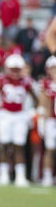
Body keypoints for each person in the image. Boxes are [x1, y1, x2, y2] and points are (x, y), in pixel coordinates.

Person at [0, 54, 38, 187]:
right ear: (8, 68)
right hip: (5, 115)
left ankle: (20, 176)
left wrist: (33, 111)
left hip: (20, 115)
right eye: (12, 69)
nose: (15, 72)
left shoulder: (26, 82)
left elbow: (36, 98)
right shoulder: (2, 80)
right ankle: (3, 175)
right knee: (4, 144)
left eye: (17, 69)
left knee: (19, 145)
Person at [40, 56, 56, 187]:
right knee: (49, 149)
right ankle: (47, 176)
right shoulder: (46, 83)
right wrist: (43, 121)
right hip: (51, 120)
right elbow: (44, 103)